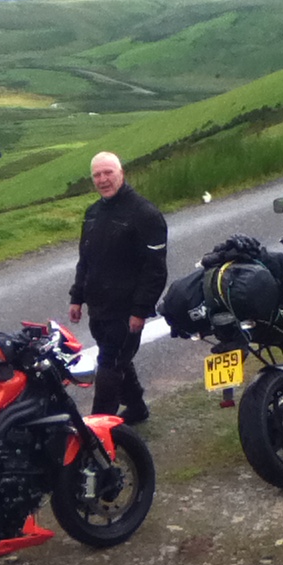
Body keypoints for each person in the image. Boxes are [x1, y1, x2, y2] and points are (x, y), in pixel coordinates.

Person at [68, 151, 168, 424]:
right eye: (97, 175)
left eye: (108, 173)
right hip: (99, 308)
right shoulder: (92, 214)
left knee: (109, 365)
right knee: (116, 357)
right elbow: (85, 260)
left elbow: (155, 269)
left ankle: (97, 431)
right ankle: (136, 408)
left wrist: (140, 310)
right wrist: (77, 297)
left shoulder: (145, 214)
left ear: (121, 173)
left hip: (126, 311)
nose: (103, 179)